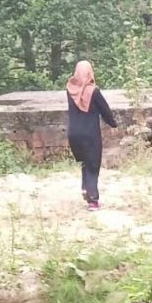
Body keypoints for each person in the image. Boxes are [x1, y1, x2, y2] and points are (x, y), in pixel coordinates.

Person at [66, 60, 118, 211]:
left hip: (73, 134)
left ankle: (85, 188)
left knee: (85, 161)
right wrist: (113, 124)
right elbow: (105, 110)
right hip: (90, 134)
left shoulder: (70, 89)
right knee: (93, 165)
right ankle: (93, 201)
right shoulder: (93, 91)